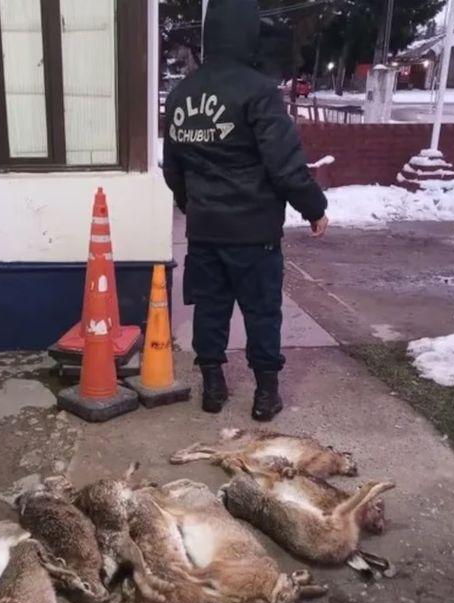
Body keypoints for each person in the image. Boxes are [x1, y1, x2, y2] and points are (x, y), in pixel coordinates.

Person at [162, 0, 328, 422]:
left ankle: (213, 390)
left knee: (210, 309)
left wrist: (194, 206)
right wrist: (314, 208)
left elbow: (174, 169)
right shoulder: (258, 92)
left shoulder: (182, 94)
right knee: (261, 311)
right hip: (254, 232)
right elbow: (284, 164)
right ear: (248, 34)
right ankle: (265, 395)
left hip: (204, 230)